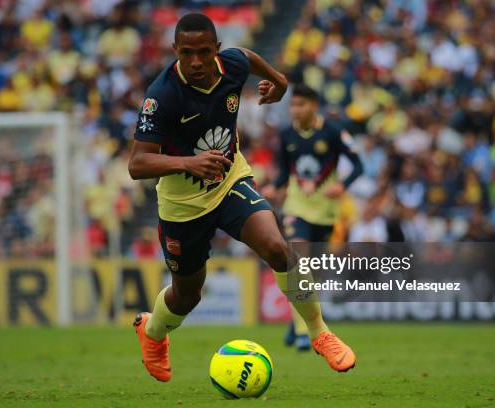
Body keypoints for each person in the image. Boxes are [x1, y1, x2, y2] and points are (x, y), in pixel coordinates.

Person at [129, 13, 356, 382]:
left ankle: (320, 333)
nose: (197, 61)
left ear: (216, 49)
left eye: (205, 51)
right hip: (183, 205)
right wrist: (190, 162)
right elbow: (137, 163)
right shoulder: (162, 95)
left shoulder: (230, 64)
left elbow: (247, 56)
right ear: (175, 51)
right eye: (187, 53)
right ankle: (153, 332)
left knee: (277, 248)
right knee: (187, 296)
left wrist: (279, 82)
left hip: (231, 180)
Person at [262, 84, 363, 351]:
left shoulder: (332, 131)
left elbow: (358, 165)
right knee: (299, 262)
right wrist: (276, 186)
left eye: (300, 105)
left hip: (326, 211)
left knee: (312, 275)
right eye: (292, 105)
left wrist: (343, 185)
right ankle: (303, 332)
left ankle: (297, 322)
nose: (295, 110)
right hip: (296, 207)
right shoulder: (286, 135)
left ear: (314, 105)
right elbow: (285, 173)